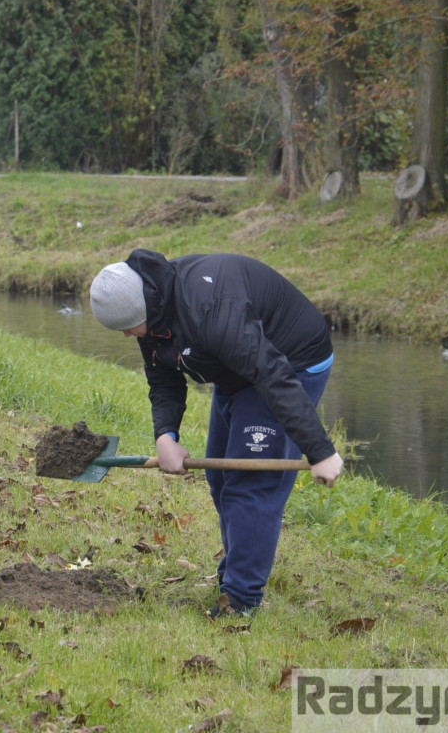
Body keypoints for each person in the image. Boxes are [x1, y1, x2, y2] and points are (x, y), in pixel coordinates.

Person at [89, 249, 344, 619]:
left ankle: (240, 601)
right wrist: (166, 436)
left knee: (249, 484)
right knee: (220, 476)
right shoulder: (151, 305)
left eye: (129, 326)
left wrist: (319, 451)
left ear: (143, 308)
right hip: (234, 367)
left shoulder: (212, 311)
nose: (128, 334)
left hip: (290, 361)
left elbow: (272, 375)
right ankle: (233, 579)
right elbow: (163, 378)